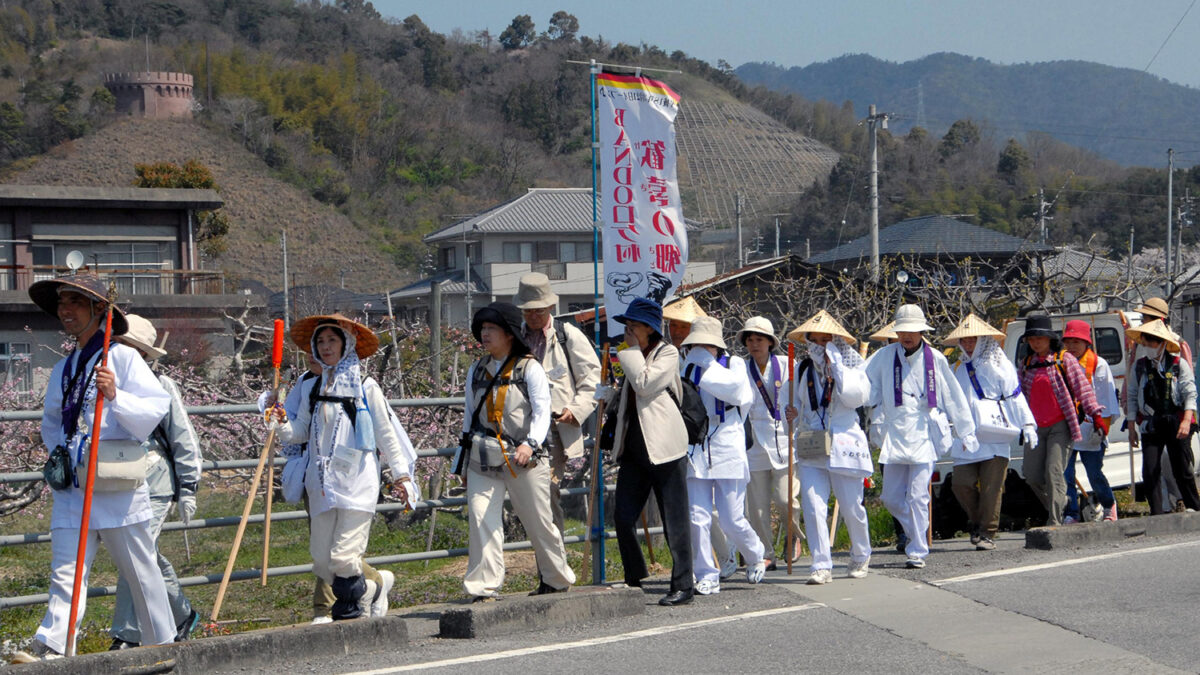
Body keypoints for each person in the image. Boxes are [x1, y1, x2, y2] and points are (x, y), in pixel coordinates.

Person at [14, 275, 174, 663]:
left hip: (115, 483)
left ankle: (163, 644)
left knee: (140, 570)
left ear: (99, 310)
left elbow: (155, 409)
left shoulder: (121, 357)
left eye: (74, 302)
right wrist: (63, 457)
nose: (64, 310)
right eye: (61, 303)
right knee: (65, 569)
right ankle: (55, 645)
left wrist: (116, 395)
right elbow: (51, 421)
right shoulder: (64, 368)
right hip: (75, 485)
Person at [269, 314, 414, 619]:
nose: (325, 347)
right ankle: (373, 588)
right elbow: (301, 431)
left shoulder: (365, 386)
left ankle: (349, 611)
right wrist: (282, 423)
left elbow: (386, 434)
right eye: (320, 341)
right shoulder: (313, 386)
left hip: (357, 483)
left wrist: (402, 476)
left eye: (332, 340)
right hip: (322, 483)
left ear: (346, 344)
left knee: (345, 557)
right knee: (322, 562)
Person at [454, 302, 576, 600]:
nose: (484, 334)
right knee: (481, 518)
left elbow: (542, 411)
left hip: (524, 457)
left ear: (508, 333)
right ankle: (483, 586)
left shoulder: (528, 367)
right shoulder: (477, 368)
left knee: (537, 520)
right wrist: (461, 463)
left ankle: (556, 577)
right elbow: (469, 416)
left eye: (491, 328)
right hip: (484, 454)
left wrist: (530, 443)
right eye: (482, 328)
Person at [108, 315, 202, 649]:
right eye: (117, 345)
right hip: (117, 482)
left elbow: (183, 436)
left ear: (143, 354)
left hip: (155, 481)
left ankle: (127, 635)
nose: (120, 352)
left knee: (136, 554)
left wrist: (189, 486)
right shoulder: (106, 384)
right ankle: (180, 614)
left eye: (128, 347)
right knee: (142, 554)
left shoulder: (162, 385)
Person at [865, 304, 977, 569]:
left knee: (918, 496)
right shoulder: (882, 356)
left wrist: (966, 429)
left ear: (921, 332)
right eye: (903, 330)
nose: (907, 336)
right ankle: (917, 533)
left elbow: (952, 394)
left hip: (923, 434)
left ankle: (917, 550)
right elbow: (865, 386)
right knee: (891, 498)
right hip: (895, 434)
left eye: (913, 331)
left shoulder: (935, 358)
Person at [602, 297, 694, 606]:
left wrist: (628, 352)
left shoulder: (667, 353)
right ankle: (634, 576)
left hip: (666, 448)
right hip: (635, 450)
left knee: (675, 521)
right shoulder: (632, 355)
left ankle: (683, 585)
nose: (628, 330)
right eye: (627, 325)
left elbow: (644, 383)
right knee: (623, 516)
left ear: (650, 329)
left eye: (634, 325)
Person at [785, 310, 873, 584]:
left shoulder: (853, 367)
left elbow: (855, 398)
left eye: (827, 340)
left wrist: (837, 367)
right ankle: (821, 564)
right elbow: (792, 405)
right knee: (813, 505)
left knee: (850, 506)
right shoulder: (801, 369)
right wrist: (790, 413)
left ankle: (860, 553)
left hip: (845, 440)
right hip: (813, 442)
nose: (821, 346)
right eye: (816, 340)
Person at [680, 316, 766, 595]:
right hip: (696, 447)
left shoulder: (735, 364)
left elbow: (736, 392)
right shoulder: (686, 367)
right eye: (696, 345)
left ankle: (754, 554)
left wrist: (704, 364)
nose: (701, 349)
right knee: (697, 516)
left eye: (707, 345)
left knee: (731, 518)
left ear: (718, 346)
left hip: (727, 444)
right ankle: (706, 572)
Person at [514, 273, 601, 541]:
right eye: (528, 311)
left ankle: (554, 563)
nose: (533, 316)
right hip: (517, 429)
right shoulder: (513, 337)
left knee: (546, 492)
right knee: (529, 498)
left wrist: (576, 410)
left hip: (553, 428)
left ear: (551, 307)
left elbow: (592, 379)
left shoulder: (567, 335)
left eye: (539, 310)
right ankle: (550, 564)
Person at [945, 314, 1035, 550]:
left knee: (992, 487)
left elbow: (1014, 396)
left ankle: (987, 532)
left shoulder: (999, 364)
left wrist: (1027, 423)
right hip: (969, 435)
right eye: (963, 341)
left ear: (983, 339)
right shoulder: (958, 368)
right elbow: (953, 401)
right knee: (960, 483)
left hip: (994, 433)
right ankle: (977, 521)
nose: (967, 345)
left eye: (972, 340)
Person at [663, 296, 736, 576]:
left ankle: (727, 555)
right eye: (673, 326)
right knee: (693, 510)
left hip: (713, 434)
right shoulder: (670, 356)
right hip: (680, 435)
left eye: (683, 327)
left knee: (716, 510)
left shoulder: (714, 359)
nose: (677, 332)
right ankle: (695, 565)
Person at [1017, 315, 1104, 527]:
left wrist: (1096, 415)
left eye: (1039, 338)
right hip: (1035, 428)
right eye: (1031, 339)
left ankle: (1054, 521)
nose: (1035, 342)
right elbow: (1017, 396)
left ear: (1049, 339)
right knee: (1032, 475)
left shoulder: (1064, 360)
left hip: (1061, 425)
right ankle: (1060, 502)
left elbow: (1083, 388)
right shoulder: (1026, 364)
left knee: (1054, 471)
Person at [737, 316, 804, 570]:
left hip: (784, 440)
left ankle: (794, 534)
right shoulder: (741, 368)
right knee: (758, 507)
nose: (754, 344)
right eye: (750, 340)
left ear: (770, 342)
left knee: (786, 499)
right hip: (754, 443)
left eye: (759, 339)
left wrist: (795, 411)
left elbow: (801, 398)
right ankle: (767, 553)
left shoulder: (789, 365)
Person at [1125, 319, 1200, 514]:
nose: (1149, 347)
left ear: (1164, 344)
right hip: (1151, 423)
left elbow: (1190, 393)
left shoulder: (1178, 364)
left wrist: (1186, 420)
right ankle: (1157, 513)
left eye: (1153, 342)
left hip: (1175, 421)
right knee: (1150, 470)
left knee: (1182, 469)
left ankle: (1195, 508)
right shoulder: (1140, 367)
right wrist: (1132, 427)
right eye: (1146, 342)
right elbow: (1132, 395)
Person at [1060, 320, 1121, 523]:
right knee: (1066, 474)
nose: (1072, 346)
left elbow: (1107, 398)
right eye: (1068, 341)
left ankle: (1109, 505)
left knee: (1094, 472)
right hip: (1067, 427)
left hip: (1091, 427)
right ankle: (1071, 512)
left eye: (1077, 341)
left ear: (1087, 343)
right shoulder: (1059, 362)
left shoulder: (1098, 364)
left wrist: (1103, 426)